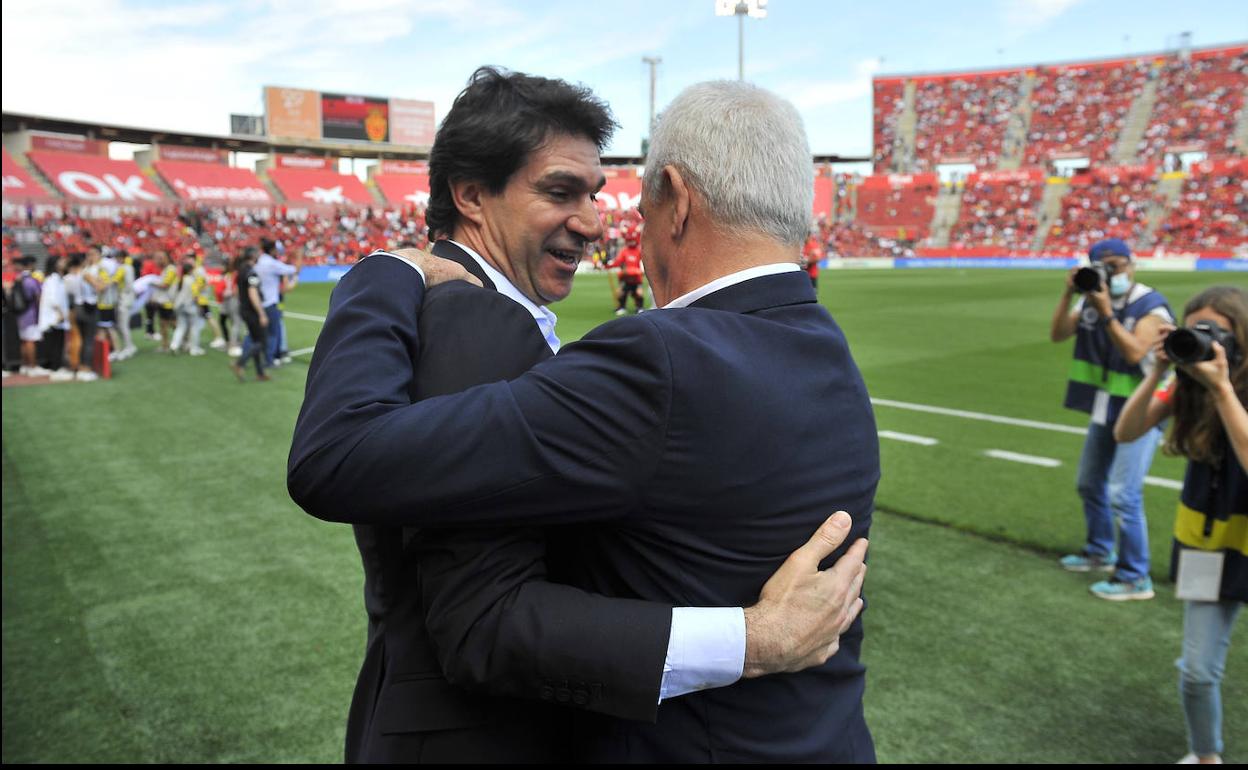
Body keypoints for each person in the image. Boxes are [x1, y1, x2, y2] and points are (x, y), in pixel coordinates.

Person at [290, 77, 878, 763]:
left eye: (597, 195)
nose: (598, 223)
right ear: (472, 195)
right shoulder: (826, 351)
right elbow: (476, 612)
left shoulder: (652, 357)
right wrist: (751, 639)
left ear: (676, 202)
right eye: (562, 192)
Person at [1114, 286, 1247, 765]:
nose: (1204, 340)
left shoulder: (1226, 386)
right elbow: (1126, 431)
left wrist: (1224, 389)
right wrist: (1158, 371)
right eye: (1195, 330)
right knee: (1196, 670)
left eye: (1217, 332)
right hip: (1204, 542)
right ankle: (1206, 755)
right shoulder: (1187, 383)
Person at [1050, 238, 1173, 600]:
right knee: (1089, 482)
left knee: (1124, 493)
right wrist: (1069, 293)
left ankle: (1135, 577)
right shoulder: (1089, 301)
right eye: (1103, 267)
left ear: (1132, 265)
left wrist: (1106, 313)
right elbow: (1058, 334)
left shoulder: (1150, 306)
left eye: (1116, 265)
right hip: (1107, 405)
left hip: (1143, 409)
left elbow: (1135, 352)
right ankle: (1100, 550)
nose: (1111, 273)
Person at [253, 240, 300, 367]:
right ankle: (277, 354)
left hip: (263, 300)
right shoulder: (275, 264)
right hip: (273, 301)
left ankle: (271, 353)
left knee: (267, 329)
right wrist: (296, 276)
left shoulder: (261, 262)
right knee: (276, 328)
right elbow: (286, 286)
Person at [229, 247, 269, 382]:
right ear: (253, 256)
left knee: (256, 340)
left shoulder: (241, 270)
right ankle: (240, 363)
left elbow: (236, 291)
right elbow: (253, 294)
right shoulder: (251, 273)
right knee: (262, 342)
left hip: (244, 309)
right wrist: (261, 313)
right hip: (252, 311)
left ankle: (260, 373)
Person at [12, 255, 48, 377]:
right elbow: (38, 297)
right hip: (31, 314)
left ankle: (25, 365)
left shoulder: (18, 279)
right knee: (31, 341)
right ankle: (32, 366)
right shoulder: (31, 280)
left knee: (24, 340)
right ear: (31, 265)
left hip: (20, 314)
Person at [606, 224, 645, 315]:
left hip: (636, 278)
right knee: (621, 292)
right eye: (629, 241)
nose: (631, 242)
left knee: (638, 293)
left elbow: (643, 263)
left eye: (632, 240)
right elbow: (617, 262)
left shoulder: (639, 251)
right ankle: (621, 307)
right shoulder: (624, 251)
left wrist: (640, 271)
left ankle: (639, 307)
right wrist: (608, 264)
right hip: (625, 277)